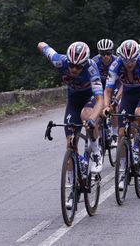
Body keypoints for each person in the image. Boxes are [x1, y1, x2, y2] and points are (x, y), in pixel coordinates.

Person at [38, 41, 104, 208]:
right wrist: (42, 46)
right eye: (72, 65)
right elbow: (44, 47)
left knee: (87, 115)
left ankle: (95, 151)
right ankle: (70, 191)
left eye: (78, 67)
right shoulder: (60, 61)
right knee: (70, 145)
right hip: (73, 100)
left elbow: (100, 100)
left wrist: (93, 118)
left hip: (90, 98)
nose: (74, 69)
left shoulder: (91, 68)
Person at [103, 40, 140, 166]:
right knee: (121, 133)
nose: (129, 64)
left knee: (139, 113)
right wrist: (106, 106)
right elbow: (107, 90)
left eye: (132, 60)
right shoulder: (116, 64)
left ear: (137, 57)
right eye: (126, 61)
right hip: (127, 94)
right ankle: (122, 167)